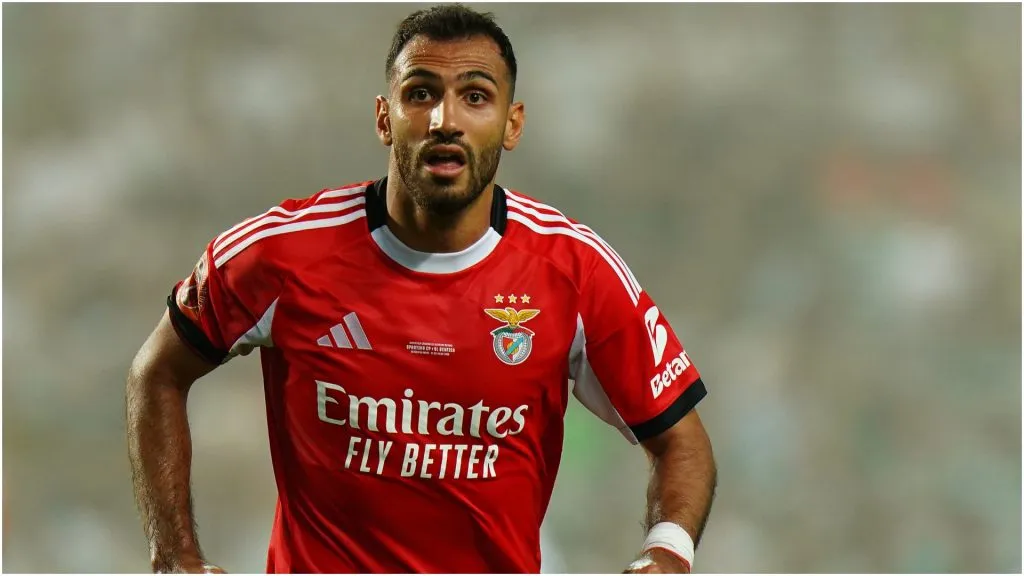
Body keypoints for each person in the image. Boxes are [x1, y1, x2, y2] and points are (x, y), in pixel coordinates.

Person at [126, 4, 716, 574]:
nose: (445, 120)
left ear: (513, 124)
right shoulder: (282, 253)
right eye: (421, 93)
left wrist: (665, 551)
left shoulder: (575, 270)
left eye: (475, 96)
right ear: (385, 117)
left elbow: (682, 442)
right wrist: (174, 557)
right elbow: (157, 372)